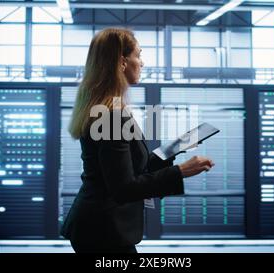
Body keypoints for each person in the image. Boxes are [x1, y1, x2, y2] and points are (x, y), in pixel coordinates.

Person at [60, 27, 214, 253]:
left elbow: (133, 169)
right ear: (122, 62)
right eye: (138, 55)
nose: (142, 63)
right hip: (103, 232)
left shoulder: (108, 108)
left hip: (100, 227)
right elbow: (124, 188)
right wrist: (180, 171)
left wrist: (174, 149)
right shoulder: (112, 114)